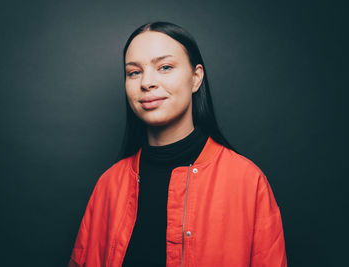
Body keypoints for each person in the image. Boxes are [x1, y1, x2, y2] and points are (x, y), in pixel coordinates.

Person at [68, 21, 287, 267]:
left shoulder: (247, 182)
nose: (146, 82)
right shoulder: (108, 186)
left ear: (196, 78)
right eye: (134, 72)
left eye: (164, 67)